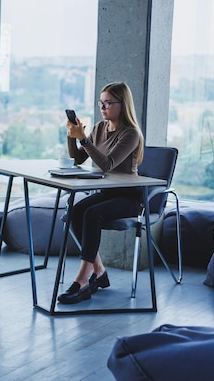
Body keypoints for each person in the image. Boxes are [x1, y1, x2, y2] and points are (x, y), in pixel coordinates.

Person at [58, 81, 144, 305]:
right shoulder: (99, 128)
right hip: (107, 193)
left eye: (108, 103)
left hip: (129, 197)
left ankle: (83, 279)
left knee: (92, 214)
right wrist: (72, 135)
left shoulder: (131, 134)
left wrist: (83, 139)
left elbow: (107, 164)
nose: (103, 107)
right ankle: (100, 271)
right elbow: (78, 159)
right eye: (101, 102)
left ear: (122, 105)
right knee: (75, 212)